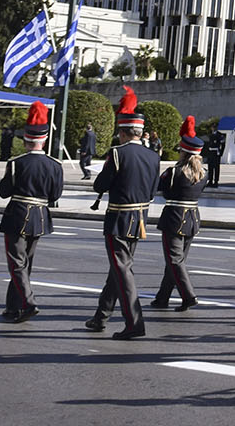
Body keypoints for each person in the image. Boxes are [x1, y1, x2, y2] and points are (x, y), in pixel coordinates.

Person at [87, 88, 159, 340]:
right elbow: (153, 189)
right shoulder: (153, 155)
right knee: (118, 269)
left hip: (118, 218)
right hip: (140, 218)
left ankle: (134, 322)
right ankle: (101, 316)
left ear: (124, 131)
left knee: (122, 270)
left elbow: (100, 185)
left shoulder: (117, 153)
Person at [0, 101, 64, 323]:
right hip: (40, 216)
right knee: (26, 263)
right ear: (44, 140)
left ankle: (28, 302)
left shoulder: (16, 163)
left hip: (17, 214)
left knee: (16, 263)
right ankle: (12, 307)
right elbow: (55, 196)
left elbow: (3, 192)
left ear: (26, 139)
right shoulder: (55, 165)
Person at [150, 117, 205, 312]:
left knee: (174, 261)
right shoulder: (203, 174)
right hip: (192, 218)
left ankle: (188, 295)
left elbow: (160, 188)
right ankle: (162, 297)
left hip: (174, 217)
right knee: (176, 262)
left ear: (184, 151)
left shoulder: (174, 172)